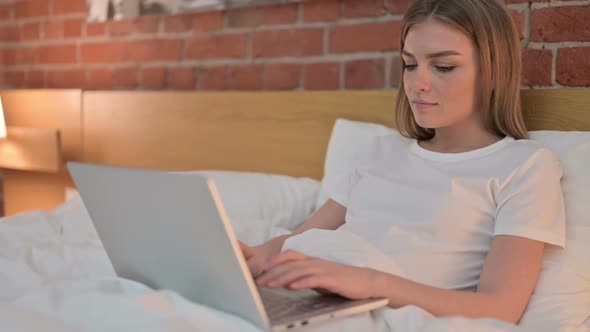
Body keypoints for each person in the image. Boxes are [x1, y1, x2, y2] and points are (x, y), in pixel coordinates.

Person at [240, 0, 565, 324]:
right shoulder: (378, 152)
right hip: (316, 302)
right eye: (410, 65)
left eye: (443, 67)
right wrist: (254, 257)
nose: (417, 83)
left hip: (387, 315)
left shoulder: (525, 165)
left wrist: (369, 282)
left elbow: (501, 308)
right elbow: (300, 239)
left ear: (494, 70)